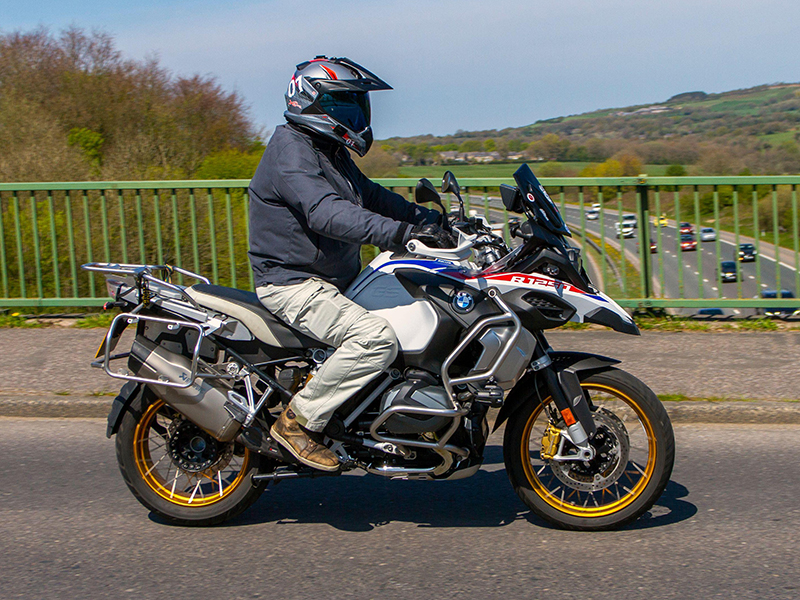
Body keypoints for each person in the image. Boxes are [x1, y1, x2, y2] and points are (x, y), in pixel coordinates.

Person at [248, 56, 455, 471]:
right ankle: (298, 423)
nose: (358, 113)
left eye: (358, 103)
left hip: (334, 279)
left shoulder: (327, 151)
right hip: (292, 283)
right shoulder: (291, 151)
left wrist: (432, 220)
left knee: (424, 310)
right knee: (375, 338)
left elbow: (372, 196)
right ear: (314, 101)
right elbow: (326, 213)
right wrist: (399, 235)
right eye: (347, 103)